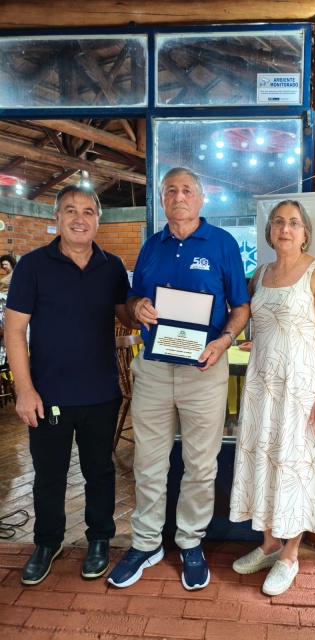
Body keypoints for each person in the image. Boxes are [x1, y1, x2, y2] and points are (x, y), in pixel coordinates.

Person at [108, 167, 250, 591]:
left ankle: (190, 541)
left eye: (187, 190)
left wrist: (223, 341)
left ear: (201, 199)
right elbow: (132, 298)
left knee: (200, 465)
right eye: (170, 190)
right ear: (162, 199)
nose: (178, 196)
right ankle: (146, 543)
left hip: (202, 370)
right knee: (148, 463)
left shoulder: (222, 244)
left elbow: (241, 306)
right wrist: (137, 305)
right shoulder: (151, 246)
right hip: (154, 369)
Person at [4, 185, 132, 586]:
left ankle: (100, 539)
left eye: (89, 211)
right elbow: (14, 331)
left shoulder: (112, 266)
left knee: (100, 472)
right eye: (71, 210)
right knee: (49, 475)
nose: (80, 218)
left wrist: (149, 305)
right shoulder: (32, 266)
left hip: (101, 392)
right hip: (48, 395)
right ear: (56, 218)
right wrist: (24, 390)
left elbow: (127, 317)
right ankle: (47, 543)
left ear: (98, 220)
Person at [229, 199, 315, 596]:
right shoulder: (260, 274)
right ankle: (269, 544)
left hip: (300, 389)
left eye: (293, 222)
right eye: (278, 222)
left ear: (305, 231)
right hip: (262, 386)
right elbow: (253, 319)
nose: (285, 229)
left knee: (294, 466)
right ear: (269, 231)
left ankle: (290, 555)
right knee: (266, 460)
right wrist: (254, 339)